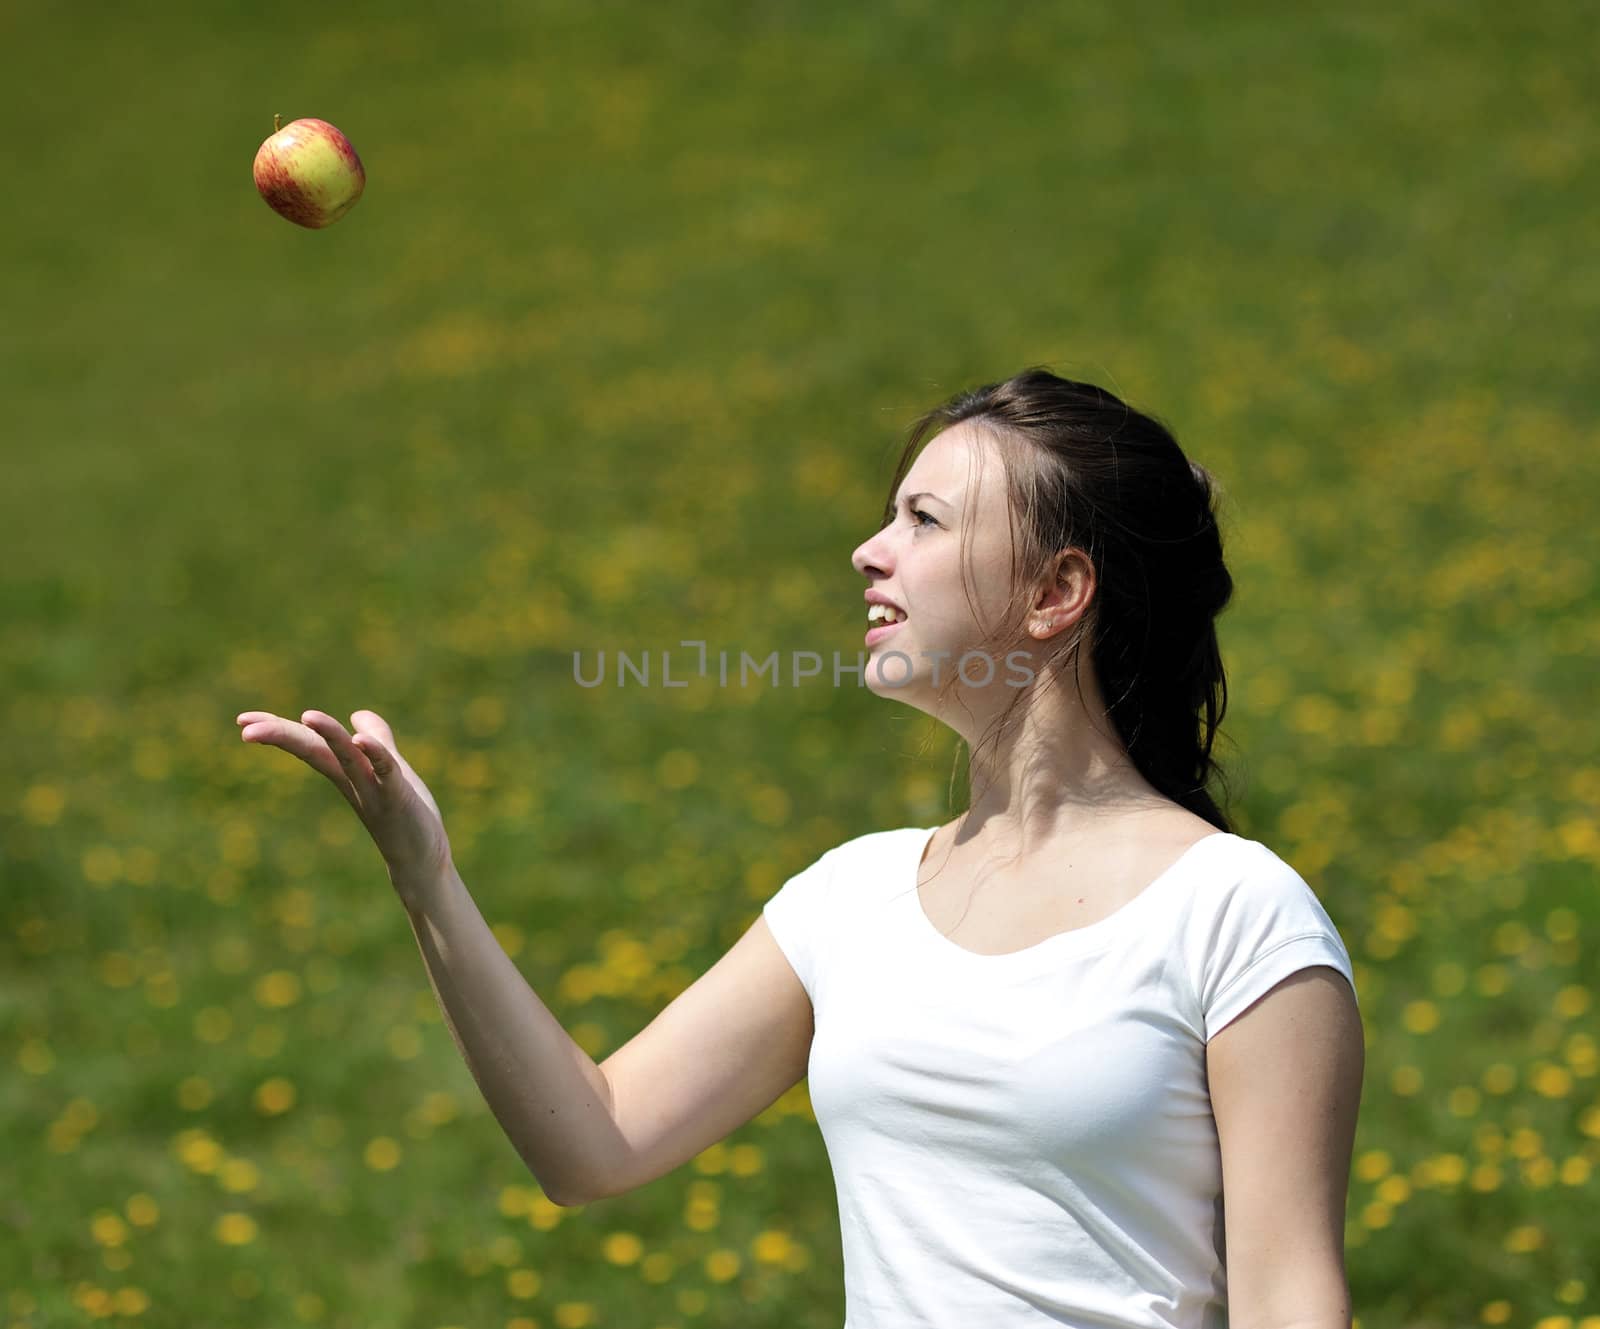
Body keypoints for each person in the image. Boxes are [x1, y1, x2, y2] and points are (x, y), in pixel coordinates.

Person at [236, 366, 1364, 1329]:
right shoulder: (852, 897)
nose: (868, 551)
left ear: (1056, 590)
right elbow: (594, 1141)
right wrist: (425, 877)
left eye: (924, 521)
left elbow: (1287, 1304)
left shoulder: (1234, 915)